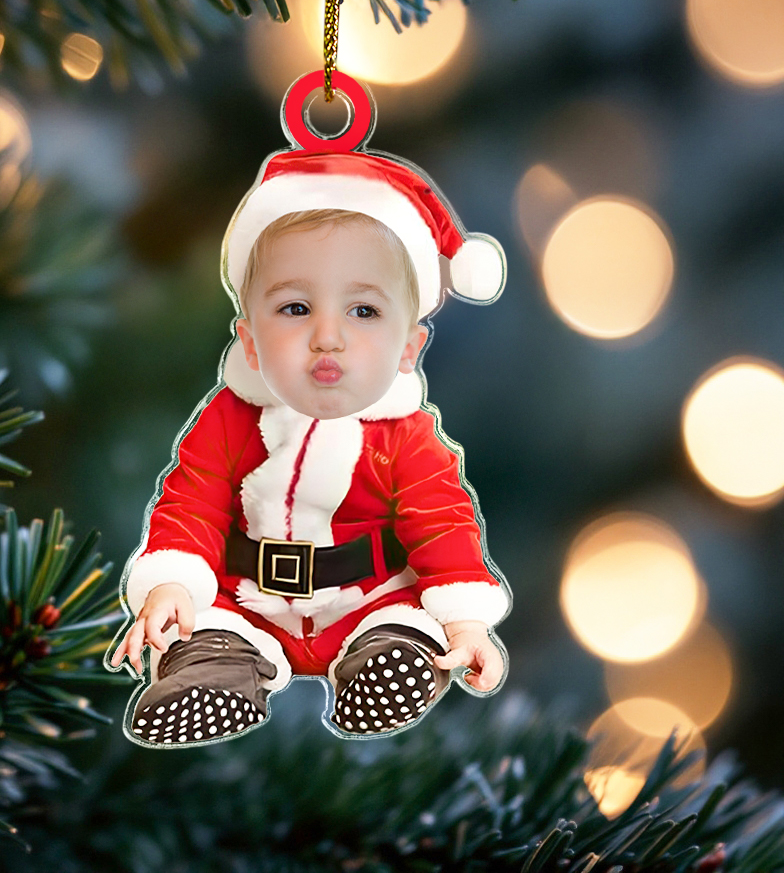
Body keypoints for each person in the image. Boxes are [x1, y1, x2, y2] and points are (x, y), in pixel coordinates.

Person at [105, 149, 511, 746]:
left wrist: (465, 620)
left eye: (364, 311)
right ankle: (215, 678)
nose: (327, 337)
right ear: (248, 339)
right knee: (206, 634)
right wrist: (170, 584)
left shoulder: (406, 438)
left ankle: (387, 671)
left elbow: (443, 527)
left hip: (367, 600)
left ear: (409, 347)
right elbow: (191, 503)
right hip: (245, 600)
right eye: (295, 308)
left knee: (406, 627)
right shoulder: (230, 419)